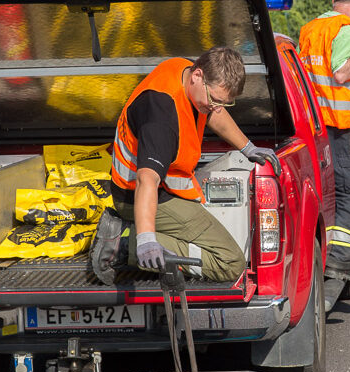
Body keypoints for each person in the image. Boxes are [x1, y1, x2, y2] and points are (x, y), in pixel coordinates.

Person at [90, 47, 280, 285]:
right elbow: (146, 180)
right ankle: (124, 241)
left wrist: (248, 147)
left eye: (225, 103)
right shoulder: (161, 118)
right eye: (215, 100)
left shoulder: (182, 69)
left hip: (164, 189)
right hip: (141, 197)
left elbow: (213, 111)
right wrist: (147, 239)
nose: (217, 108)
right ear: (198, 76)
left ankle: (132, 234)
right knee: (230, 262)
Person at [298, 0, 350, 283]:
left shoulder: (311, 28)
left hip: (316, 125)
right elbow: (342, 73)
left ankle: (325, 254)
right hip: (344, 127)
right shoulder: (345, 29)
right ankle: (342, 262)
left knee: (328, 193)